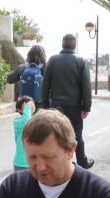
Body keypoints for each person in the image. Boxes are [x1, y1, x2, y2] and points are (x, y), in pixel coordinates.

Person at [41, 34, 93, 169]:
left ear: (62, 44)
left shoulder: (52, 60)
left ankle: (55, 161)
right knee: (76, 135)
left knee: (55, 135)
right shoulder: (80, 61)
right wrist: (86, 107)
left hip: (56, 107)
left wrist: (45, 107)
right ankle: (82, 161)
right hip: (74, 106)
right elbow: (86, 86)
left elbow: (45, 85)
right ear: (74, 45)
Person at [12, 95, 34, 172]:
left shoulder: (36, 121)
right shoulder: (18, 121)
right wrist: (27, 107)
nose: (32, 106)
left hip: (33, 163)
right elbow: (26, 123)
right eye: (30, 104)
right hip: (21, 164)